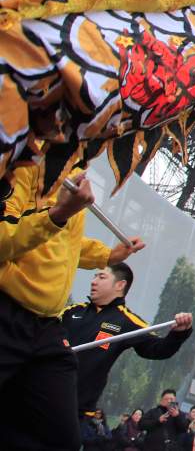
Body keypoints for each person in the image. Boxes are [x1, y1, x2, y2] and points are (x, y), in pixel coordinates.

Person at [0, 168, 145, 449]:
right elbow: (9, 233)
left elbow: (65, 243)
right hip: (8, 307)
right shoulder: (24, 165)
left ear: (121, 287)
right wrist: (58, 214)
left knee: (62, 438)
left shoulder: (74, 173)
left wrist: (107, 255)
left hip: (45, 326)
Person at [65, 262, 194, 431]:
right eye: (94, 276)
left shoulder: (127, 321)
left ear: (120, 285)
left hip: (77, 409)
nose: (94, 281)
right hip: (40, 394)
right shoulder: (72, 311)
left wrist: (179, 333)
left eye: (101, 277)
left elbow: (158, 349)